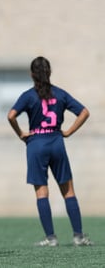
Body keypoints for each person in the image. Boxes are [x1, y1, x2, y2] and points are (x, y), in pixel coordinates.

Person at [7, 56, 93, 247]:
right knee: (68, 191)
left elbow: (11, 115)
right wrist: (69, 131)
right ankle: (78, 236)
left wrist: (21, 133)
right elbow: (84, 112)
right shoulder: (60, 94)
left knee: (41, 193)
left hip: (36, 144)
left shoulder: (28, 95)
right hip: (56, 142)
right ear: (50, 73)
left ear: (32, 74)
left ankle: (51, 238)